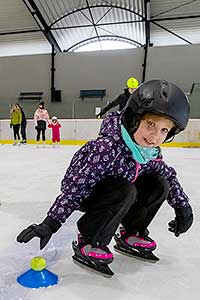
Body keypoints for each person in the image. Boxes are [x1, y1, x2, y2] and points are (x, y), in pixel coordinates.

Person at [17, 80, 193, 276]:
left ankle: (131, 232)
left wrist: (182, 206)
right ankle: (90, 239)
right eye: (150, 124)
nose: (154, 136)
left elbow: (168, 175)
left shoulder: (148, 152)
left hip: (119, 192)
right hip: (86, 194)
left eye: (164, 130)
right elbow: (76, 188)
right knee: (125, 190)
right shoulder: (107, 148)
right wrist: (50, 223)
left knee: (159, 183)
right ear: (134, 118)